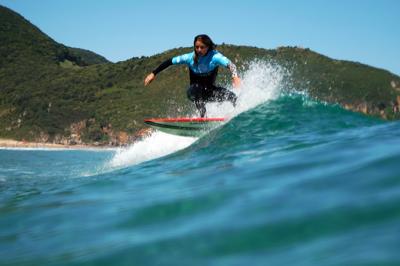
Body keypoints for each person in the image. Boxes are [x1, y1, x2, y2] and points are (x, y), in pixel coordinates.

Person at [144, 34, 241, 117]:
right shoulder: (189, 57)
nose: (199, 50)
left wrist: (235, 76)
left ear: (208, 47)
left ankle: (238, 115)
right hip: (194, 92)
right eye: (196, 47)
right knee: (197, 87)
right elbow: (169, 62)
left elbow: (231, 65)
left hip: (209, 93)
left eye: (202, 47)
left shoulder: (215, 56)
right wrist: (153, 73)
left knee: (232, 96)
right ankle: (203, 116)